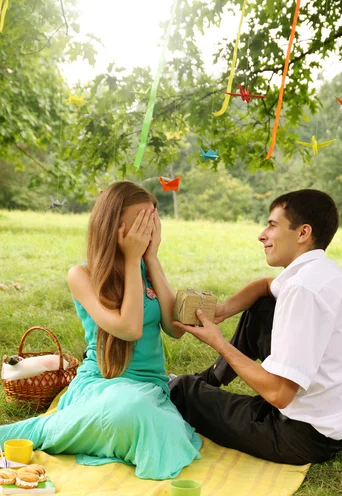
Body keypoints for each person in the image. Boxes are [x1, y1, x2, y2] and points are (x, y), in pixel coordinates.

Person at [0, 182, 202, 480]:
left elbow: (175, 329)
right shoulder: (81, 275)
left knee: (147, 417)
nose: (147, 232)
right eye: (140, 224)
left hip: (148, 389)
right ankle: (47, 429)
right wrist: (132, 260)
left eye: (152, 223)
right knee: (128, 410)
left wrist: (151, 258)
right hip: (100, 385)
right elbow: (129, 329)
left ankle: (99, 430)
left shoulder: (147, 267)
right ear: (114, 227)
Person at [169, 189, 342, 465]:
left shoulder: (304, 290)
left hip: (304, 436)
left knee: (183, 390)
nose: (262, 235)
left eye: (272, 225)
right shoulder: (324, 273)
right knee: (263, 306)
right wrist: (222, 311)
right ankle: (209, 381)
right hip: (339, 421)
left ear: (303, 233)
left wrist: (219, 342)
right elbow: (266, 285)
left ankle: (192, 387)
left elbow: (279, 394)